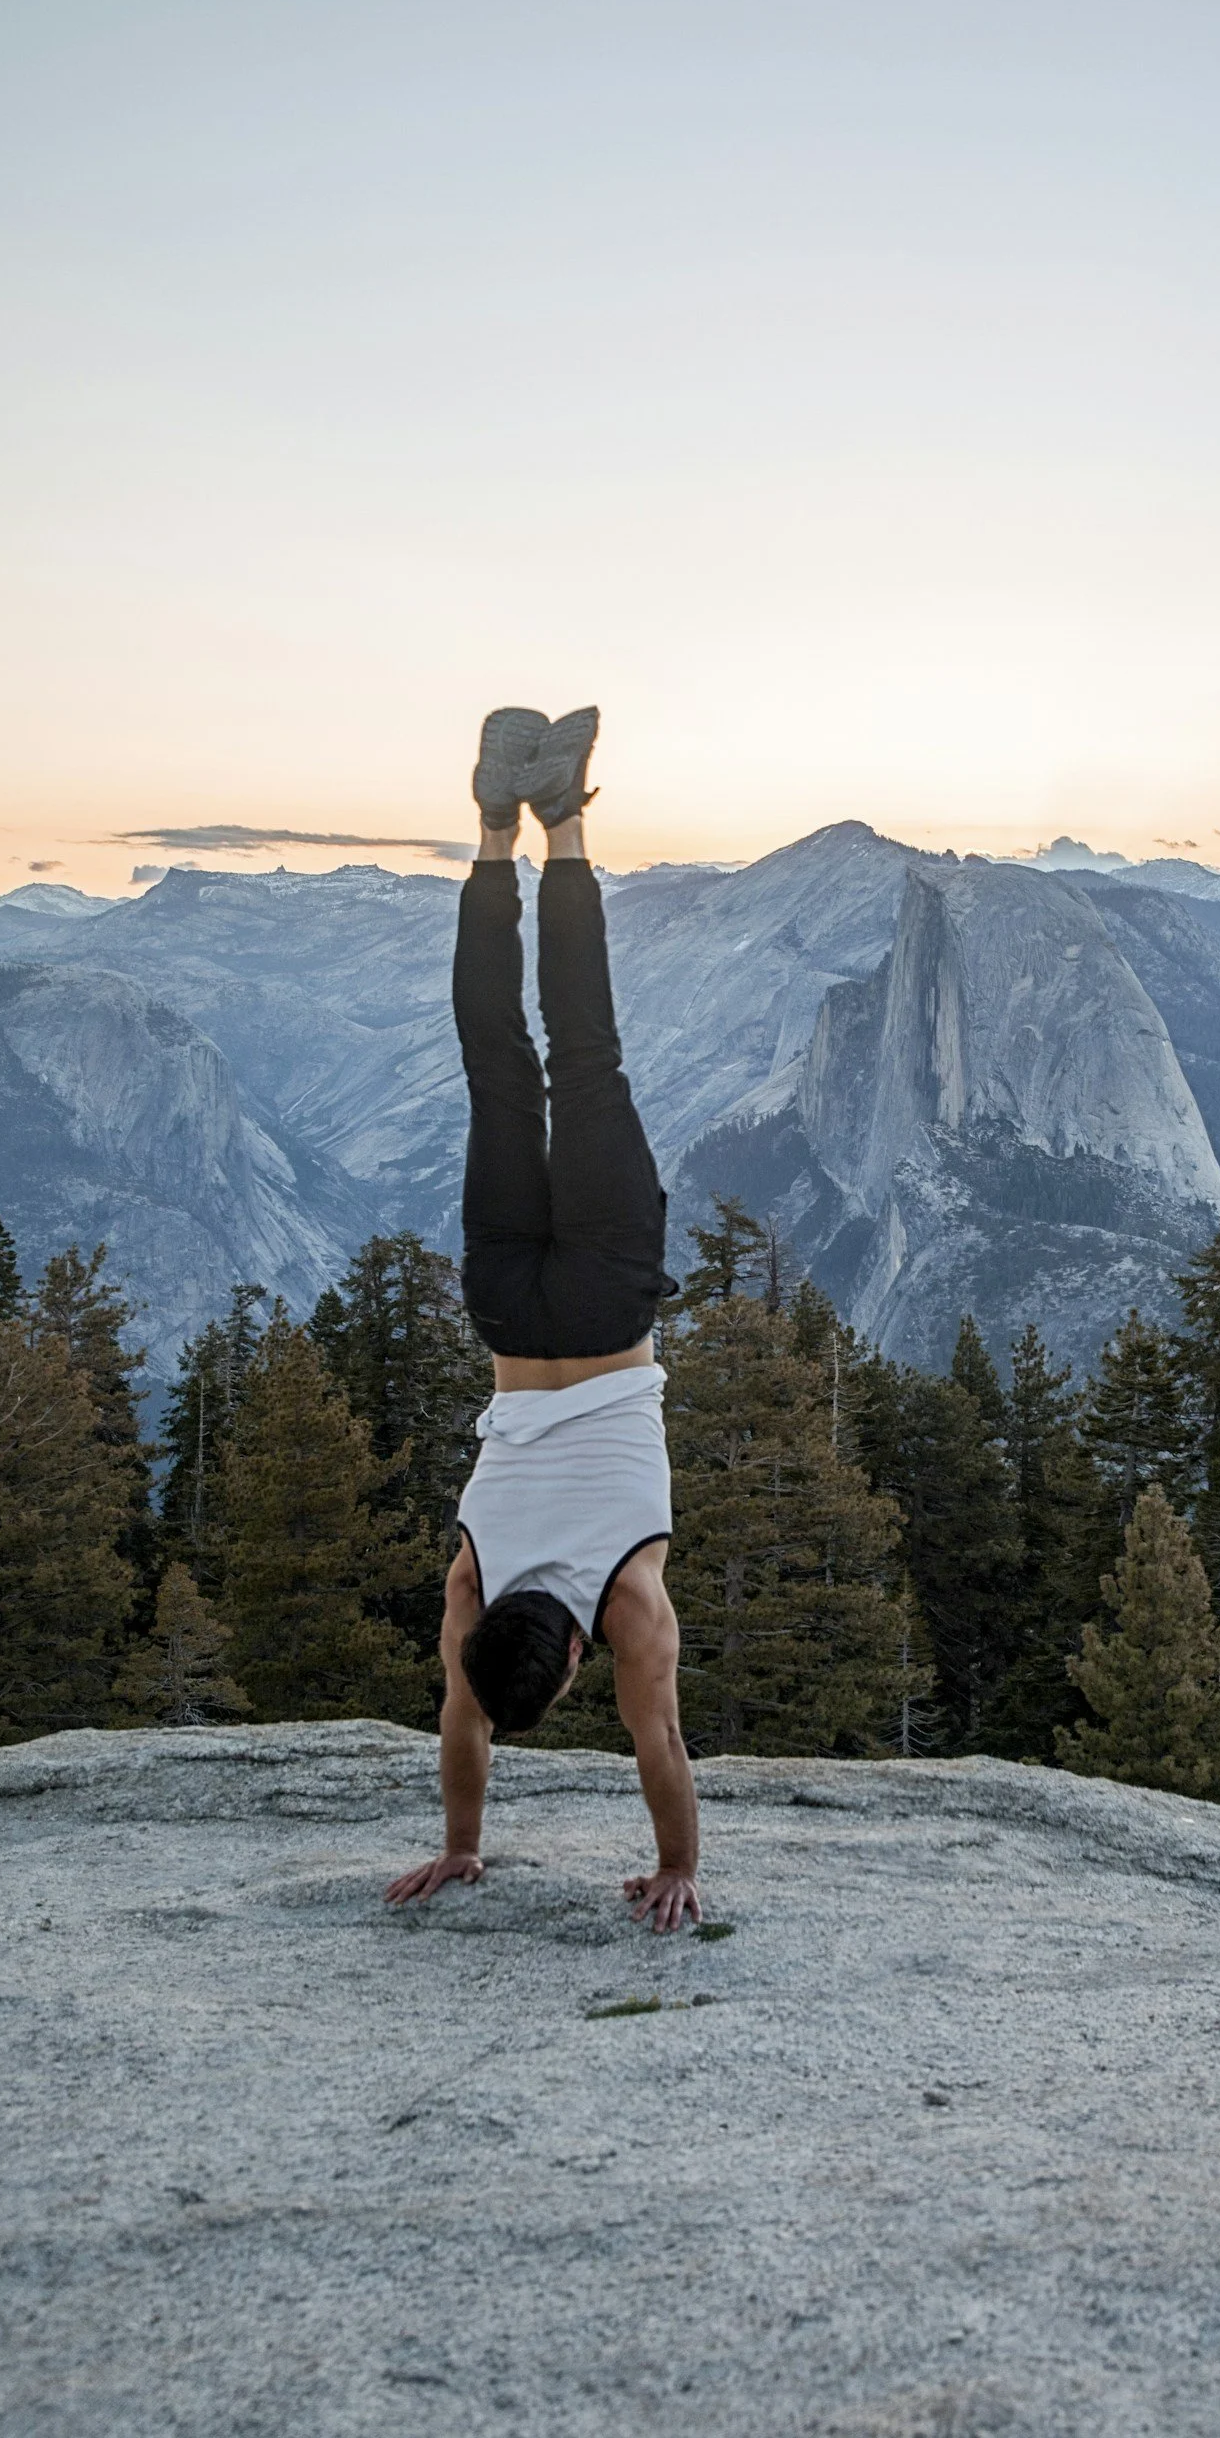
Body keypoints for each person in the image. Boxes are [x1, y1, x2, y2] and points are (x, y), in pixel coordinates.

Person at [384, 706, 700, 1931]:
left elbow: (659, 1745)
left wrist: (679, 1868)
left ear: (573, 1658)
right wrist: (456, 1841)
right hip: (509, 1310)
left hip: (612, 1304)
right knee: (501, 1063)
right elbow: (463, 1719)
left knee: (587, 1058)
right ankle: (494, 830)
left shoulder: (627, 1605)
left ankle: (561, 821)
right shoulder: (470, 1584)